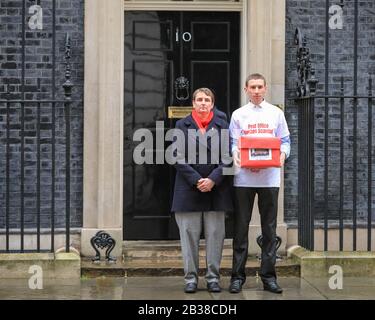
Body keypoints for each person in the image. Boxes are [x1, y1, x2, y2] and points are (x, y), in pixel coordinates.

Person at [228, 73, 290, 294]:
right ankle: (237, 277)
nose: (256, 90)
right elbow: (234, 142)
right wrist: (239, 157)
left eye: (259, 87)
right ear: (246, 89)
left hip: (269, 178)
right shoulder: (238, 114)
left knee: (269, 229)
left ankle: (269, 276)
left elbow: (285, 141)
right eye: (252, 87)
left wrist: (283, 155)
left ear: (265, 89)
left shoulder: (276, 113)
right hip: (243, 178)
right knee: (240, 228)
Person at [171, 88, 233, 294]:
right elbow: (177, 157)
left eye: (207, 100)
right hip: (189, 189)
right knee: (188, 237)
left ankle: (213, 278)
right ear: (193, 103)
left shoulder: (223, 125)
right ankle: (190, 279)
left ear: (212, 104)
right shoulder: (182, 125)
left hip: (217, 190)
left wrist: (213, 179)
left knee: (216, 236)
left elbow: (228, 157)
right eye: (199, 99)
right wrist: (197, 180)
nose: (203, 103)